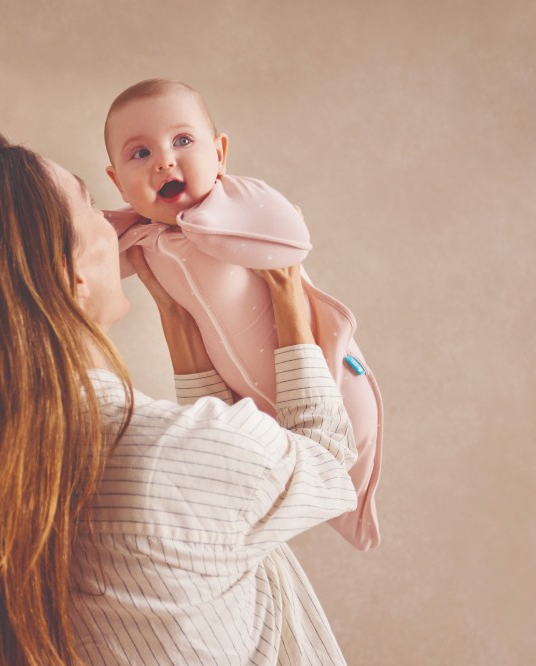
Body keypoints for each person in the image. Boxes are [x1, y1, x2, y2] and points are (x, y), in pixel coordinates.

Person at [0, 127, 362, 664]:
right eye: (90, 202)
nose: (116, 218)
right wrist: (286, 287)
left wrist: (182, 320)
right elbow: (326, 460)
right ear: (69, 275)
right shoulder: (176, 456)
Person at [102, 78, 383, 550]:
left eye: (183, 141)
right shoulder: (148, 242)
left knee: (341, 468)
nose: (165, 160)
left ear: (220, 153)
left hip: (329, 384)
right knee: (244, 495)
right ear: (117, 182)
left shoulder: (237, 208)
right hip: (251, 407)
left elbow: (291, 236)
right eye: (140, 154)